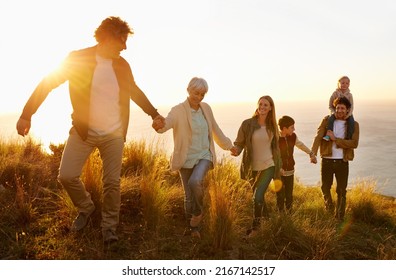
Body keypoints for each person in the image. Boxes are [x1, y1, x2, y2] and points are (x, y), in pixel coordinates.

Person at [16, 16, 165, 243]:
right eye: (122, 41)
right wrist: (27, 114)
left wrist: (154, 114)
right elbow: (47, 83)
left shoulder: (122, 65)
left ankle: (109, 229)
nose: (125, 47)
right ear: (106, 38)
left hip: (114, 134)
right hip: (84, 130)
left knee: (112, 183)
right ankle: (86, 207)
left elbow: (134, 91)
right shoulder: (78, 59)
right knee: (66, 175)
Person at [152, 77, 233, 239]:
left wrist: (229, 146)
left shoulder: (206, 108)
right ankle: (194, 228)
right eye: (197, 93)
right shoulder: (178, 110)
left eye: (203, 94)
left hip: (204, 155)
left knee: (195, 181)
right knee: (188, 196)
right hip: (185, 158)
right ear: (188, 90)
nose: (200, 97)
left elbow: (215, 129)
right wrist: (158, 126)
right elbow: (166, 124)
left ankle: (199, 212)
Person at [231, 95, 281, 237]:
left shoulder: (273, 126)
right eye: (260, 104)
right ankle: (268, 221)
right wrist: (236, 151)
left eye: (266, 105)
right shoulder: (247, 124)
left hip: (269, 166)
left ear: (271, 108)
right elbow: (239, 143)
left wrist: (279, 166)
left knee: (257, 196)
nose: (262, 107)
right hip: (252, 167)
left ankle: (255, 228)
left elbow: (276, 149)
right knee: (258, 197)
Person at [311, 97, 359, 220]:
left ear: (348, 110)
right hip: (326, 160)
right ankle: (329, 209)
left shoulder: (354, 125)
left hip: (342, 162)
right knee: (325, 187)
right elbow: (318, 136)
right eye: (337, 108)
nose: (339, 110)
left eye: (343, 108)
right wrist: (313, 153)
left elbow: (354, 143)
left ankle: (339, 217)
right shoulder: (327, 121)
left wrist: (335, 139)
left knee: (341, 191)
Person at [277, 115, 317, 213]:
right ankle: (280, 215)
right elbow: (271, 154)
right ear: (284, 128)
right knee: (280, 194)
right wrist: (278, 167)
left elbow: (301, 145)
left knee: (289, 194)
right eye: (292, 127)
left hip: (290, 170)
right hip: (278, 172)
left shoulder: (293, 137)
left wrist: (311, 153)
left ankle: (289, 214)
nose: (294, 129)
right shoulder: (275, 138)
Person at [323, 76, 355, 141]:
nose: (344, 85)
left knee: (351, 122)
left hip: (347, 113)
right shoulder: (335, 94)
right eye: (342, 83)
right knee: (330, 120)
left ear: (349, 84)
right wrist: (334, 112)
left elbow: (351, 107)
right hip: (336, 112)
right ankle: (328, 135)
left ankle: (348, 138)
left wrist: (348, 115)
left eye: (347, 83)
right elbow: (330, 105)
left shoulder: (350, 95)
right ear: (338, 84)